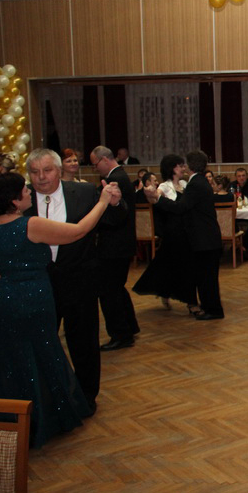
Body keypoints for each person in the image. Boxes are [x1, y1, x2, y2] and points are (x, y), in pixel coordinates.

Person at [0, 172, 120, 447]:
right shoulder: (30, 225)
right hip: (30, 301)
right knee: (42, 354)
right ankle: (46, 418)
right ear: (14, 200)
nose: (29, 192)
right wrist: (102, 202)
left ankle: (14, 417)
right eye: (24, 191)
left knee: (8, 361)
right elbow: (79, 231)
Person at [147, 150, 224, 320]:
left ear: (190, 165)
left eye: (185, 163)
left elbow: (181, 207)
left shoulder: (195, 183)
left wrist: (158, 199)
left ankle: (213, 311)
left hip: (205, 239)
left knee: (206, 278)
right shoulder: (199, 181)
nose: (184, 166)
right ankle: (209, 307)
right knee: (205, 277)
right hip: (206, 238)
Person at [133, 154, 199, 314]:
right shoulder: (164, 186)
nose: (183, 168)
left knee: (186, 267)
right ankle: (190, 303)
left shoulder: (185, 184)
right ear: (172, 168)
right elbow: (154, 198)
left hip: (187, 232)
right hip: (173, 233)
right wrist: (150, 193)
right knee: (172, 266)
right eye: (180, 166)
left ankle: (186, 300)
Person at [90, 146, 140, 351]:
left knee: (109, 291)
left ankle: (121, 335)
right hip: (122, 244)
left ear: (104, 160)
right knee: (117, 288)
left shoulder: (115, 180)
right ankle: (129, 327)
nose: (95, 169)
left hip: (114, 245)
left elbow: (112, 216)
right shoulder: (121, 176)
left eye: (95, 164)